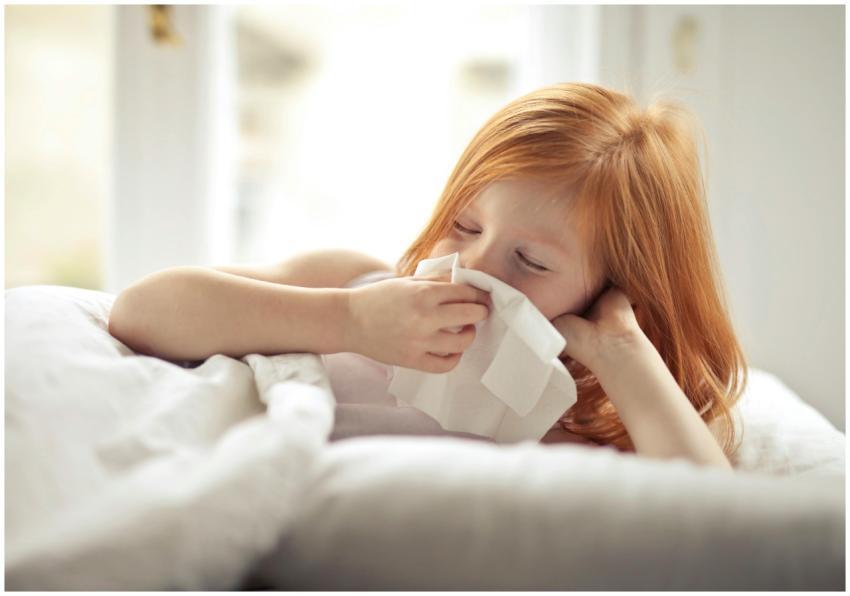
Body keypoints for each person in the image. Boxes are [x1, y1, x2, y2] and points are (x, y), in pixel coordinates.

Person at [108, 82, 746, 469]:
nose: (472, 265)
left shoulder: (576, 419)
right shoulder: (354, 284)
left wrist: (622, 352)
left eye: (531, 262)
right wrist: (347, 321)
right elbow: (140, 311)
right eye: (465, 225)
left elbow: (718, 530)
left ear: (611, 290)